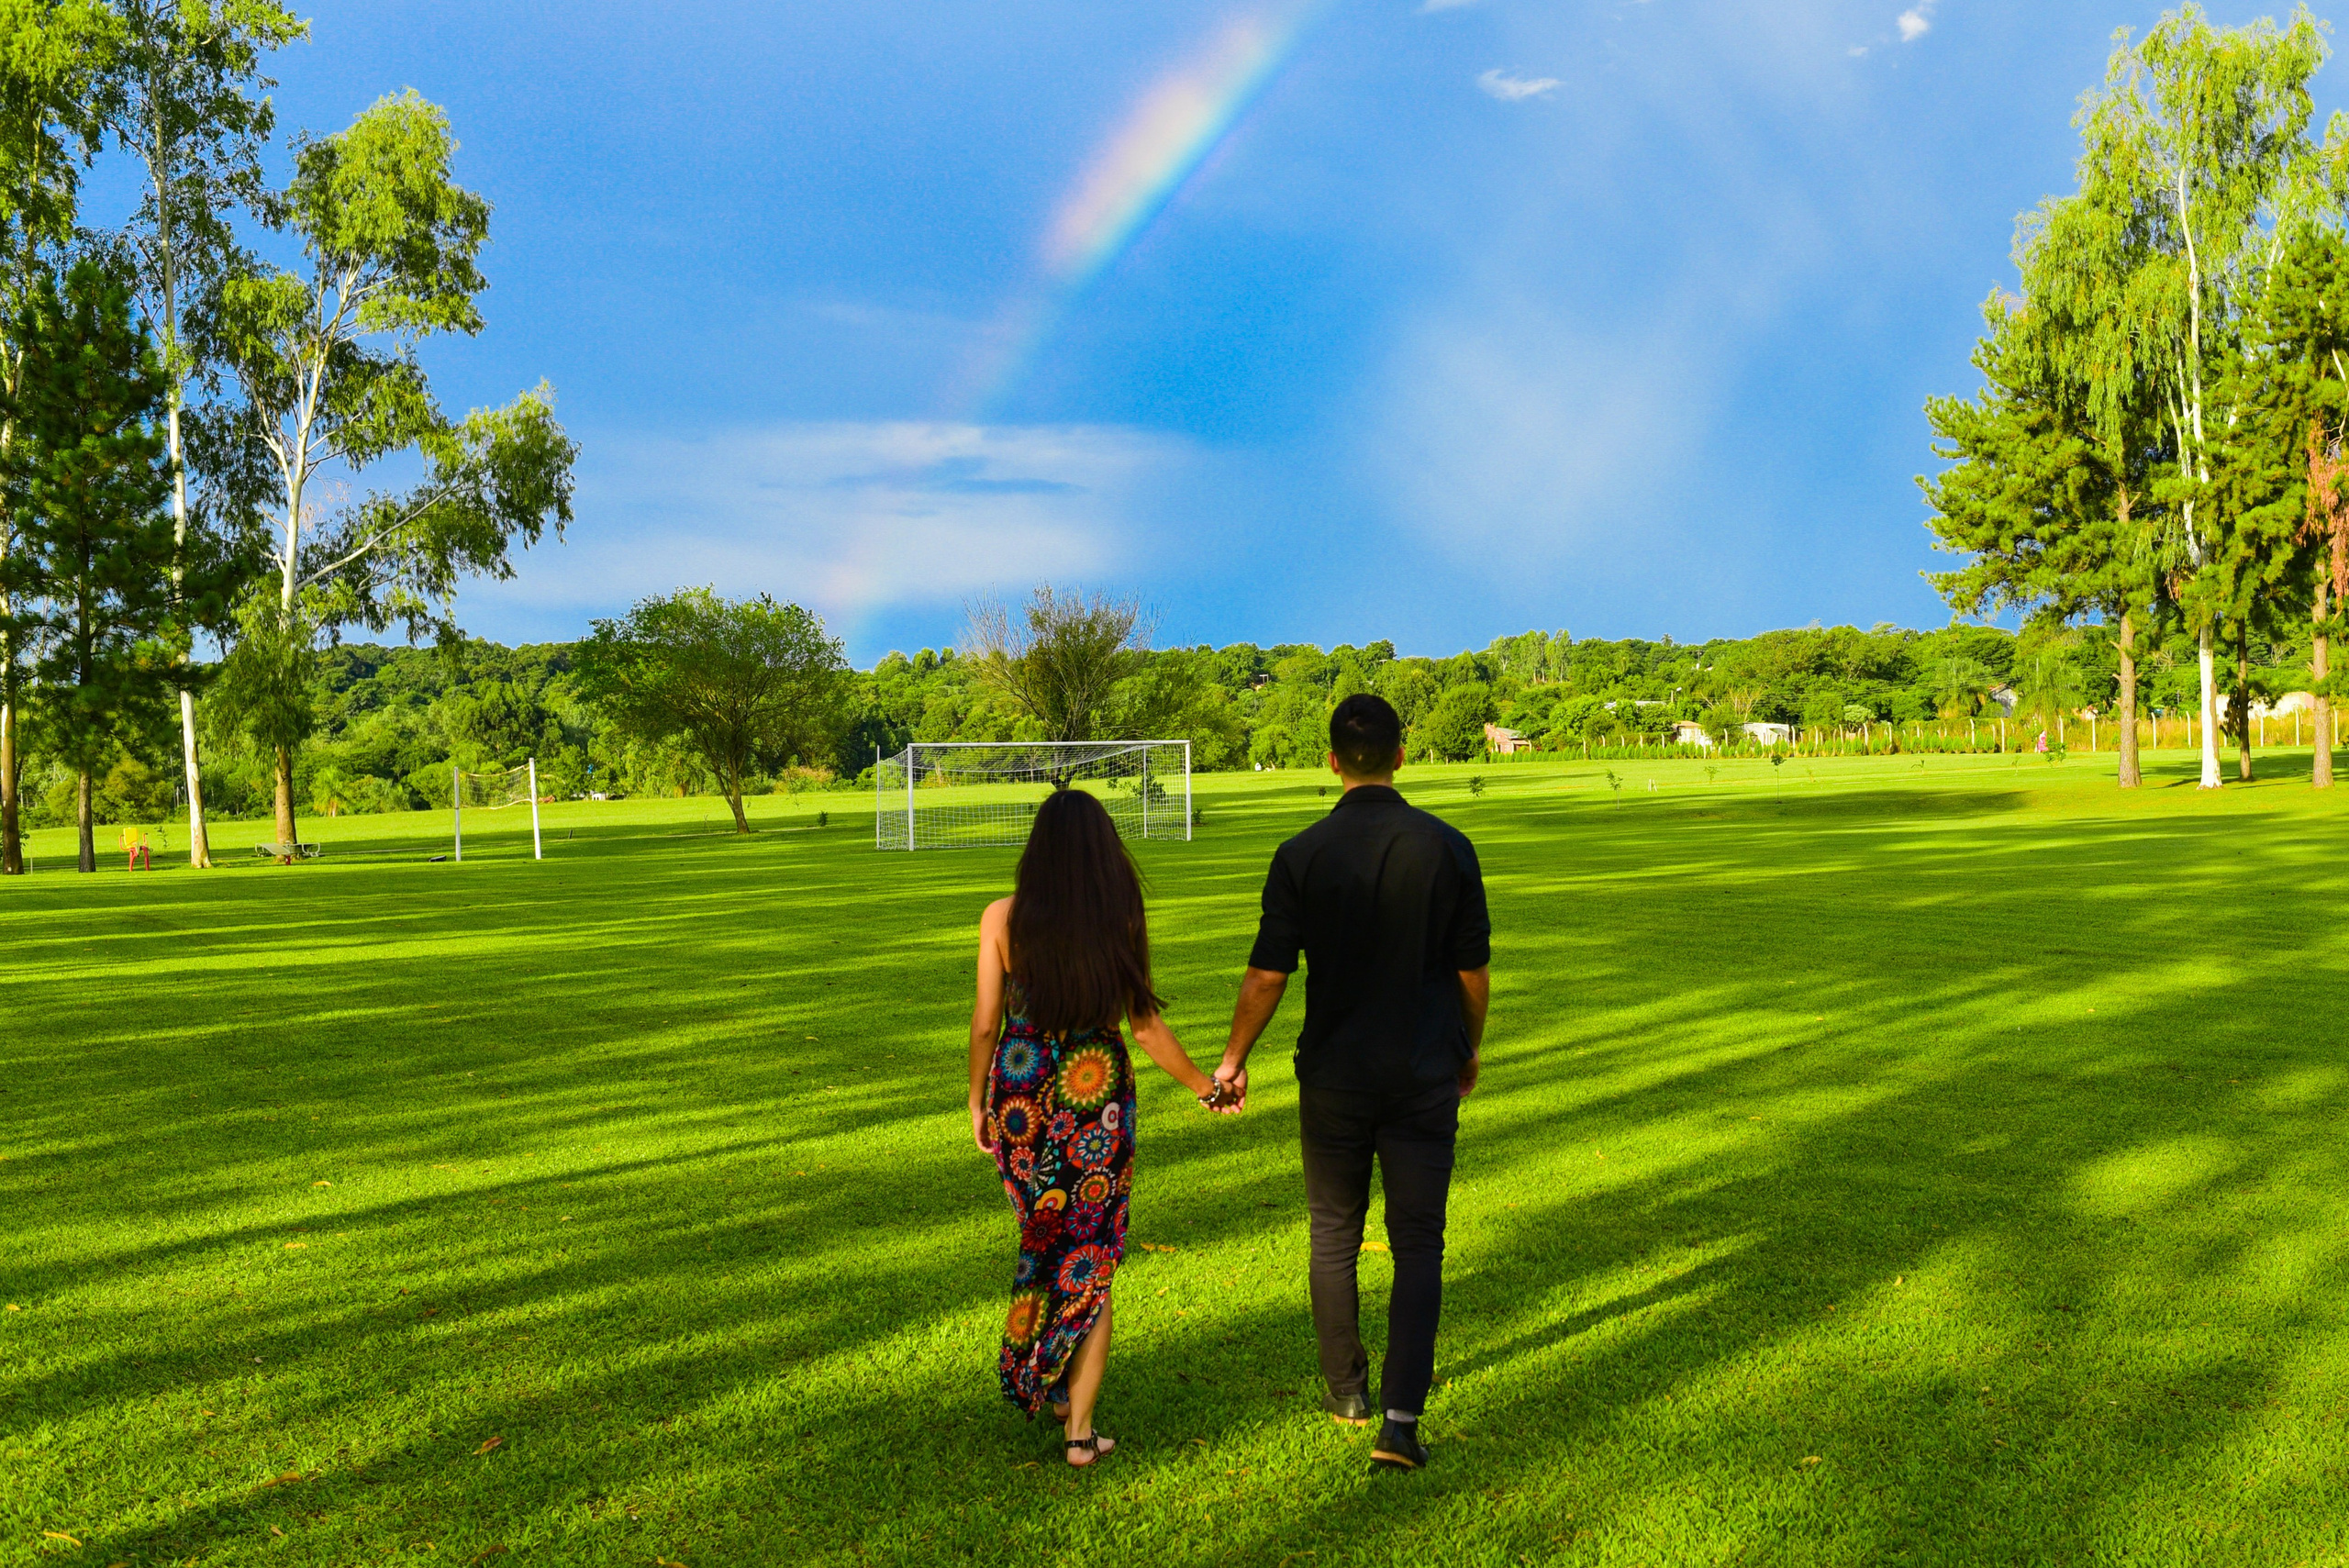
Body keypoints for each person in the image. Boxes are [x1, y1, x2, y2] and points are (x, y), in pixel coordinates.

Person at [1211, 693, 1490, 1473]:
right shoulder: (1448, 847)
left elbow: (1268, 975)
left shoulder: (1300, 853)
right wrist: (1468, 1045)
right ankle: (1400, 1421)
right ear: (1402, 754)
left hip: (1332, 1076)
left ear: (1332, 760)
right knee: (1418, 1241)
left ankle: (1346, 1392)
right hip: (1425, 1070)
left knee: (1333, 1231)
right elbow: (1473, 971)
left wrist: (1233, 1059)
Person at [968, 785, 1234, 1467]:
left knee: (1048, 1240)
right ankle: (1078, 1427)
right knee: (1090, 1257)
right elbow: (1143, 1026)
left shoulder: (1001, 918)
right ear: (1101, 851)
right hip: (1096, 1101)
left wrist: (977, 1101)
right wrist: (1207, 1085)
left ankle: (1053, 1379)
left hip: (1021, 1100)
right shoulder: (1120, 917)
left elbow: (985, 1025)